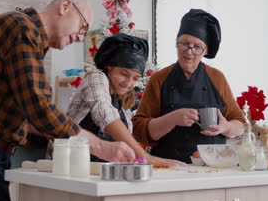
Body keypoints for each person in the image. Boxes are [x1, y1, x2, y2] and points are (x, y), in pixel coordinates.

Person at [0, 0, 136, 201]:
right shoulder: (21, 28)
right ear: (65, 6)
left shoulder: (24, 33)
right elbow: (39, 108)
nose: (80, 37)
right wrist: (100, 146)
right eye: (82, 27)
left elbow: (20, 108)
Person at [132, 9, 245, 163]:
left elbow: (241, 125)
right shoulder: (159, 79)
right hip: (169, 167)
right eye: (184, 43)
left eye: (197, 47)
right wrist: (172, 119)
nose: (189, 51)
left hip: (212, 166)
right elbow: (139, 130)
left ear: (205, 51)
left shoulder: (217, 78)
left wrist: (226, 127)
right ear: (176, 43)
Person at [66, 33, 185, 166]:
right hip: (70, 163)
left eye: (135, 78)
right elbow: (106, 115)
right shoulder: (96, 78)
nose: (128, 83)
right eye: (124, 74)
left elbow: (125, 137)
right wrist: (147, 158)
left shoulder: (124, 98)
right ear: (109, 67)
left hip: (102, 169)